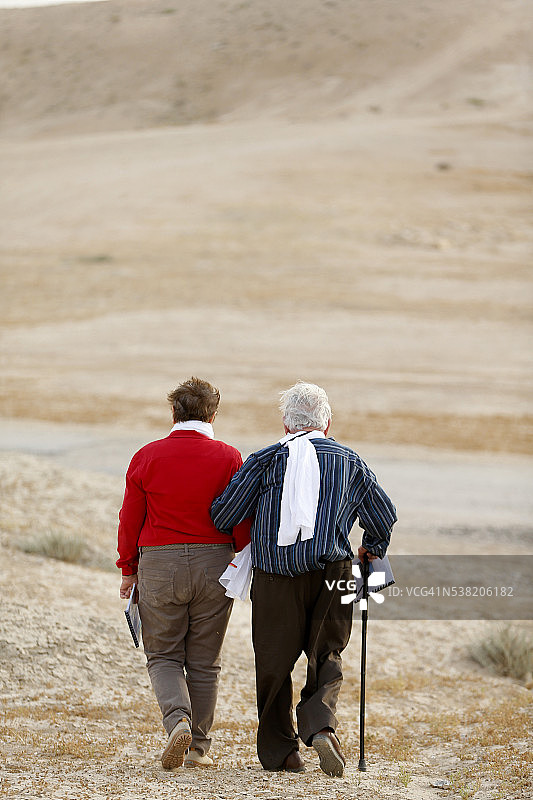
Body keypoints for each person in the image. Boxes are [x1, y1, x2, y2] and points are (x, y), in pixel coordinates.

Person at [211, 381, 396, 777]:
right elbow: (383, 513)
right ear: (327, 423)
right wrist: (372, 547)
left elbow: (224, 515)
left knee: (274, 664)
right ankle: (322, 727)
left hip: (276, 577)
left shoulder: (264, 460)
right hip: (334, 572)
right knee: (327, 653)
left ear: (285, 424)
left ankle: (283, 754)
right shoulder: (349, 461)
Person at [117, 377, 250, 770]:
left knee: (163, 656)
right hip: (215, 564)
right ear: (213, 413)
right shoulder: (229, 457)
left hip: (159, 563)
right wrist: (242, 558)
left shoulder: (147, 456)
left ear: (173, 412)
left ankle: (178, 721)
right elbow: (240, 516)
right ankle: (198, 747)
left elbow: (130, 518)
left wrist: (128, 569)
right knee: (205, 662)